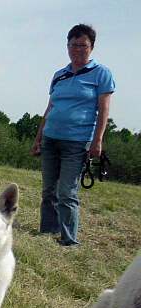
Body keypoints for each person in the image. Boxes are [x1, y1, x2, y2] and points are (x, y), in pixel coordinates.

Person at [30, 24, 115, 246]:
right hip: (51, 138)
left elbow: (104, 110)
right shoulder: (60, 75)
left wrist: (97, 140)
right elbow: (49, 108)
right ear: (67, 46)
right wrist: (39, 137)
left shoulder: (101, 74)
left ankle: (69, 240)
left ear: (92, 47)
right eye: (73, 45)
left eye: (83, 45)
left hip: (76, 142)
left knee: (67, 191)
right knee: (49, 190)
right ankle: (48, 232)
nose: (77, 49)